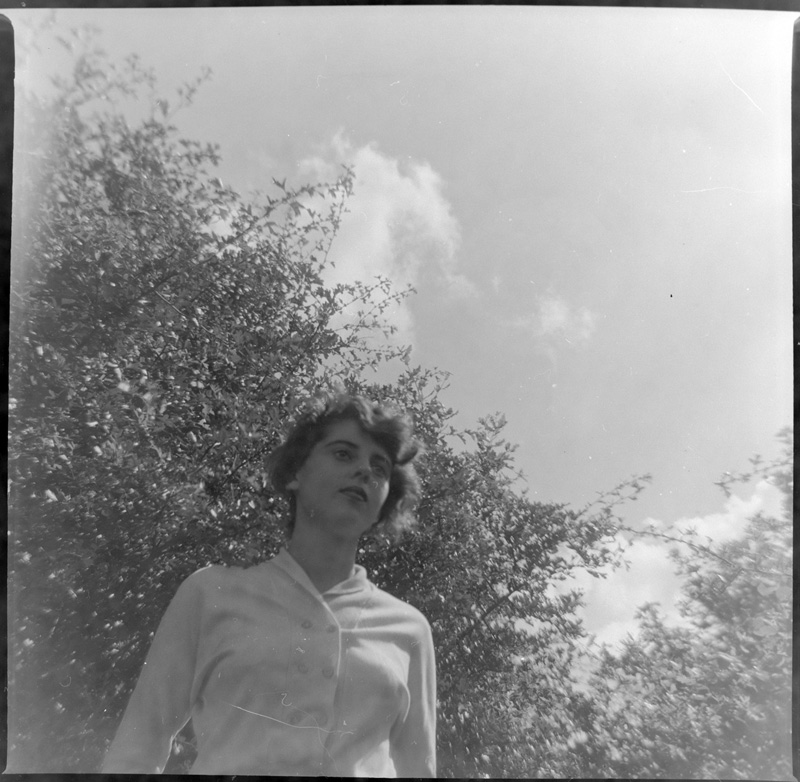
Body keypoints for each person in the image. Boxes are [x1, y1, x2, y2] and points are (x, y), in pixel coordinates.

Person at [101, 392, 436, 776]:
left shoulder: (410, 629)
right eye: (344, 454)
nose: (365, 471)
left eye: (380, 468)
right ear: (295, 473)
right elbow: (138, 746)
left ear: (384, 504)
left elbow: (420, 769)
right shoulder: (210, 593)